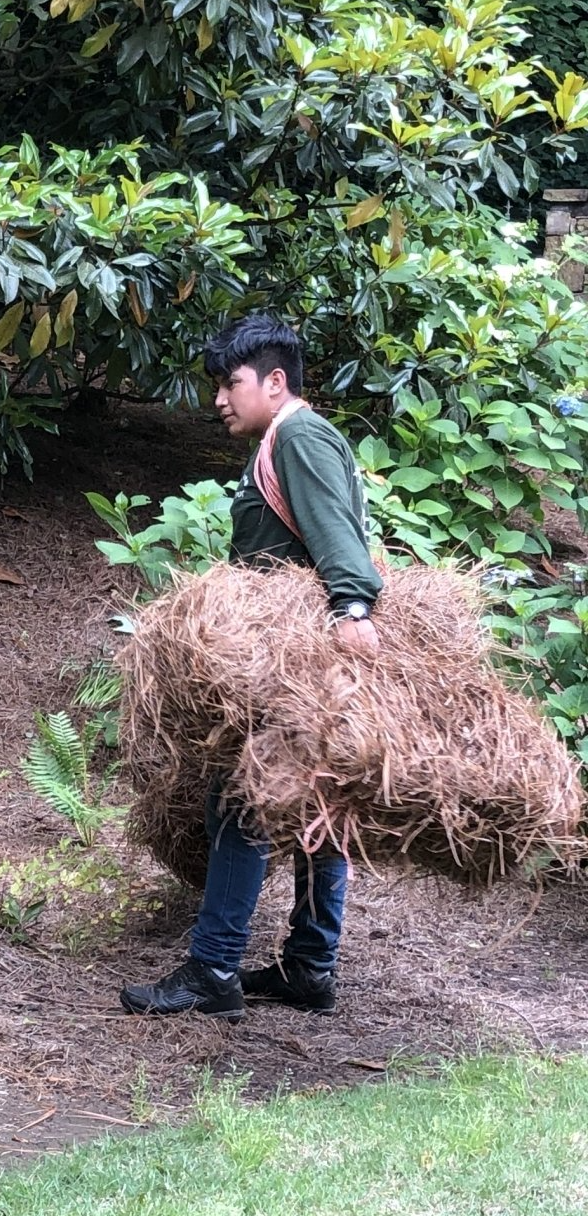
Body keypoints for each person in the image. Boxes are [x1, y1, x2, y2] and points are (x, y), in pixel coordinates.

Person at [120, 313, 382, 1021]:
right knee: (315, 807)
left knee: (240, 799)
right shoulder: (288, 438)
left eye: (229, 384)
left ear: (273, 380)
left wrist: (353, 609)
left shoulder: (298, 435)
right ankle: (309, 964)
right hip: (298, 657)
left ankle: (213, 967)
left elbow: (335, 533)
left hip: (296, 662)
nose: (218, 399)